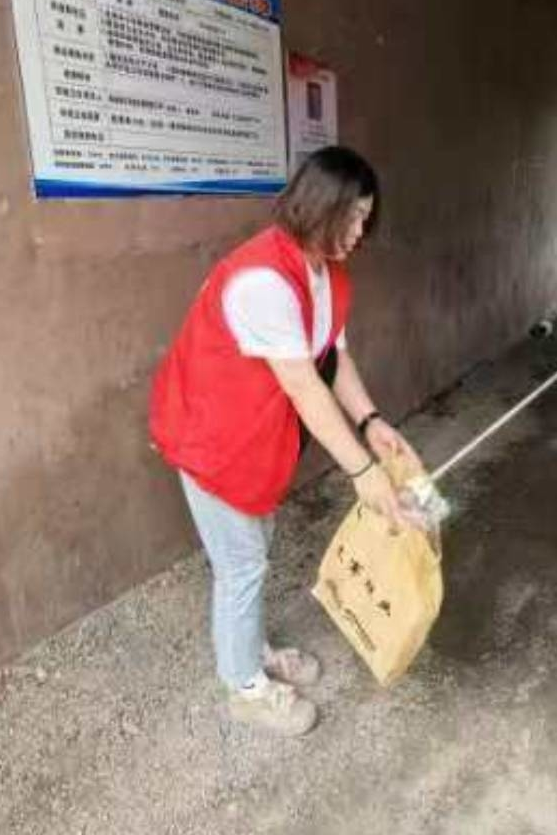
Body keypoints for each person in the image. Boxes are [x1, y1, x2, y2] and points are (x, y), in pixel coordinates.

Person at [149, 146, 421, 736]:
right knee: (241, 564)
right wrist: (363, 472)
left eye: (364, 220)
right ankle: (244, 684)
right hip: (213, 440)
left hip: (255, 438)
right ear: (315, 207)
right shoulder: (262, 281)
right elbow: (302, 385)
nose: (358, 233)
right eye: (349, 218)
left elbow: (332, 358)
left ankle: (251, 649)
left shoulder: (326, 273)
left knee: (253, 550)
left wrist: (372, 421)